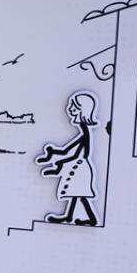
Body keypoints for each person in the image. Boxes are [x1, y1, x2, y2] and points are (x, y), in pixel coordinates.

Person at [36, 91, 99, 226]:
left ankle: (85, 218)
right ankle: (71, 217)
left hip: (80, 168)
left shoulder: (85, 131)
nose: (69, 109)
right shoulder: (83, 131)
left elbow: (80, 154)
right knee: (77, 194)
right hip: (78, 167)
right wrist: (53, 152)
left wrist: (60, 161)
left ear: (82, 110)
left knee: (79, 194)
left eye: (73, 106)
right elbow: (66, 150)